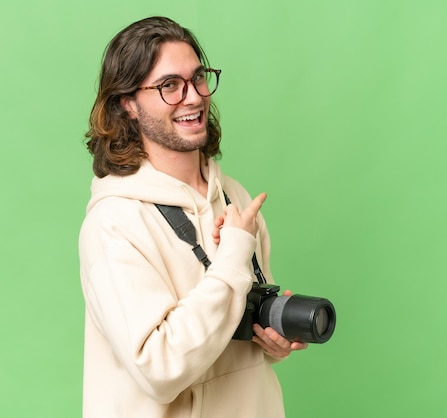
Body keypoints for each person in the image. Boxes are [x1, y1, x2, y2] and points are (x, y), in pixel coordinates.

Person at [79, 16, 308, 418]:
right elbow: (160, 369)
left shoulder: (234, 197)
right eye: (169, 85)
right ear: (127, 103)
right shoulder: (114, 221)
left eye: (198, 77)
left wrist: (272, 339)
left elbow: (232, 327)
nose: (193, 97)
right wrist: (234, 253)